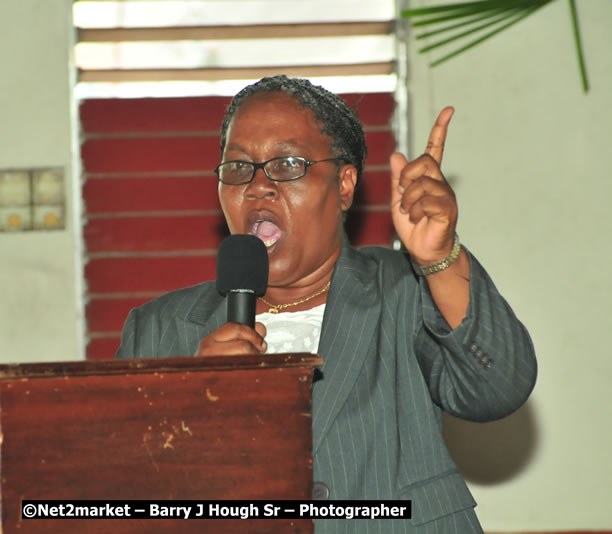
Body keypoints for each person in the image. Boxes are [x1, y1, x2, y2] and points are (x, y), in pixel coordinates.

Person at [115, 75, 537, 533]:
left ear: (344, 185)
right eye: (238, 168)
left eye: (287, 164)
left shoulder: (404, 290)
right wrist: (189, 404)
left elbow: (499, 389)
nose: (258, 187)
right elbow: (116, 493)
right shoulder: (160, 329)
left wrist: (439, 259)